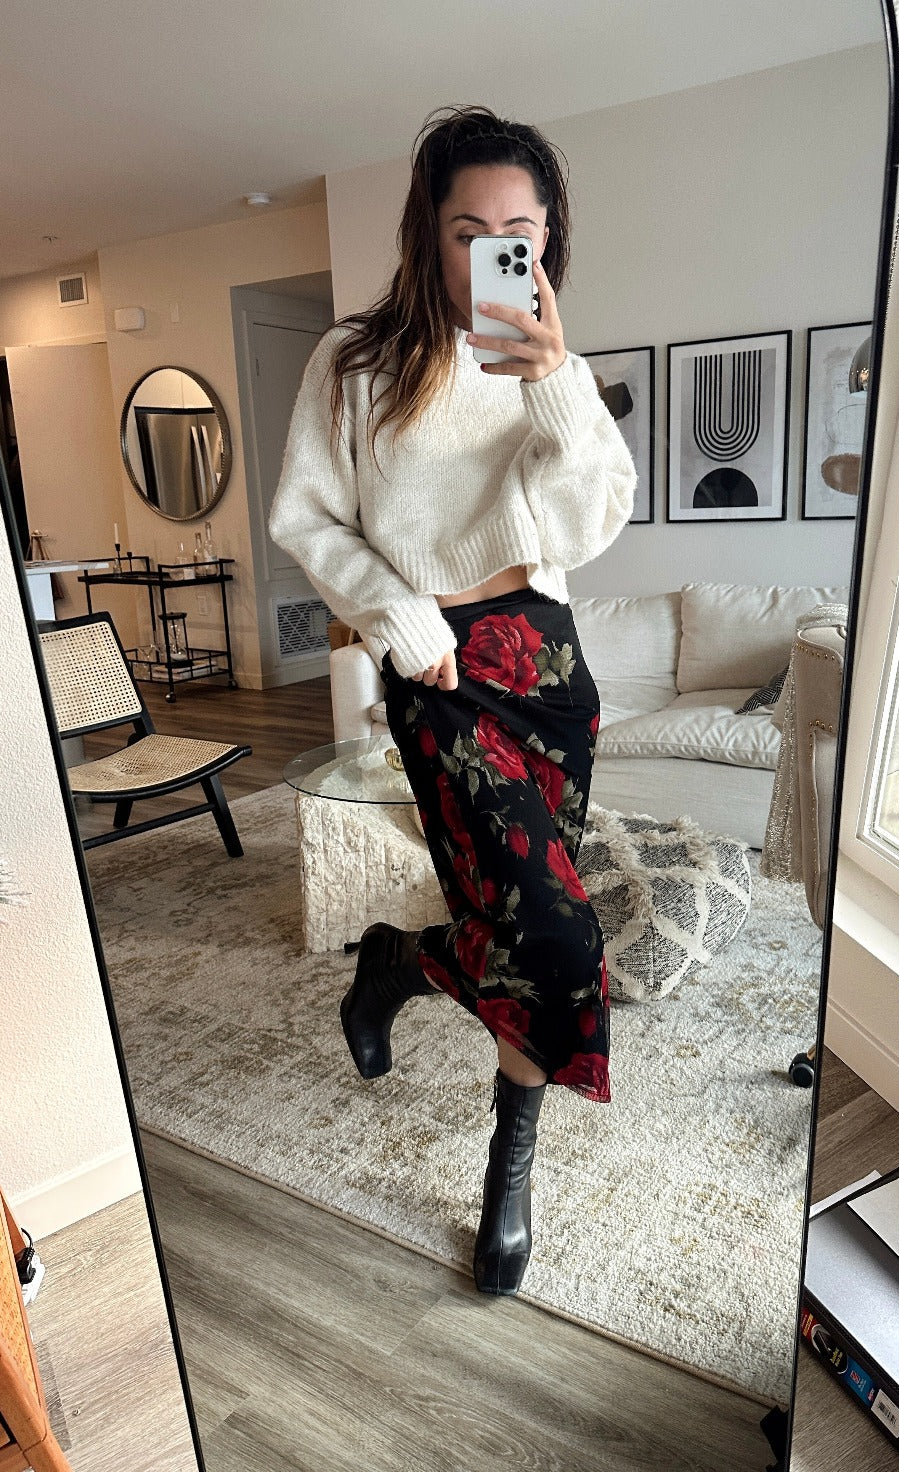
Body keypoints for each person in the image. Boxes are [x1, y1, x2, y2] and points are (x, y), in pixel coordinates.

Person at [269, 104, 636, 1296]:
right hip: (435, 665)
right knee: (560, 935)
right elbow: (305, 518)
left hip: (547, 662)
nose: (494, 252)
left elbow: (587, 525)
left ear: (547, 237)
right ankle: (508, 1162)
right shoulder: (354, 363)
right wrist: (394, 612)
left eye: (517, 232)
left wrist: (559, 390)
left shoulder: (549, 365)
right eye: (468, 230)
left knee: (524, 927)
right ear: (428, 233)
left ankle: (403, 964)